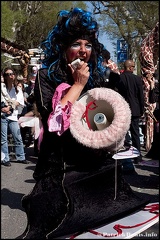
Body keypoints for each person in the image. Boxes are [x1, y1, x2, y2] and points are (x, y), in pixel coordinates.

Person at [17, 8, 147, 239]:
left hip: (92, 159)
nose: (83, 51)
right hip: (61, 163)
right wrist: (77, 85)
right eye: (76, 44)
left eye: (88, 45)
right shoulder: (46, 75)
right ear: (63, 48)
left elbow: (102, 116)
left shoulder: (96, 75)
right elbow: (54, 121)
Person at [117, 60, 145, 166]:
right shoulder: (137, 79)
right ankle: (138, 157)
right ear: (130, 67)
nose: (133, 68)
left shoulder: (120, 78)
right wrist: (141, 109)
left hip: (123, 109)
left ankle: (126, 156)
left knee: (124, 134)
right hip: (135, 109)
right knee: (135, 134)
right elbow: (141, 97)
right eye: (133, 66)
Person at [1, 67, 29, 166]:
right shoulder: (2, 87)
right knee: (3, 139)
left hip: (13, 116)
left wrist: (9, 107)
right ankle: (5, 159)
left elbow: (19, 102)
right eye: (8, 74)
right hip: (2, 116)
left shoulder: (17, 88)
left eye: (12, 73)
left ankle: (21, 157)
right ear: (5, 76)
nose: (11, 76)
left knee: (18, 137)